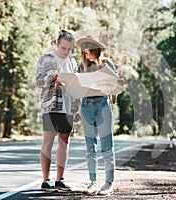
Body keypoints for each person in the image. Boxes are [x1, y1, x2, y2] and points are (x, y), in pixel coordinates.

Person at [76, 35, 121, 196]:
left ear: (95, 50)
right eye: (84, 53)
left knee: (107, 147)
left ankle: (109, 183)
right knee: (90, 148)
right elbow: (77, 87)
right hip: (87, 105)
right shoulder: (82, 67)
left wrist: (113, 88)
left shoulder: (107, 63)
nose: (87, 56)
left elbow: (116, 86)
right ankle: (92, 182)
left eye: (88, 52)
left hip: (103, 105)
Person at [35, 30, 79, 192]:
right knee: (48, 142)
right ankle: (46, 180)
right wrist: (54, 77)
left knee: (64, 142)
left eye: (69, 49)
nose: (66, 52)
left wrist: (77, 108)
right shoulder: (46, 59)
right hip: (51, 105)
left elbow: (76, 85)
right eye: (64, 48)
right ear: (57, 44)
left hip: (68, 107)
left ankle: (60, 179)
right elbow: (39, 81)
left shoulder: (73, 62)